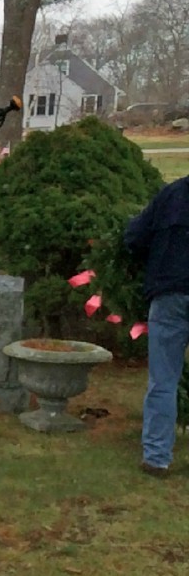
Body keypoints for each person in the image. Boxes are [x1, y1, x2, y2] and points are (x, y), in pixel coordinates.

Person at [123, 174, 189, 477]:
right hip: (170, 292)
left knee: (163, 381)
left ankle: (157, 457)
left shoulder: (171, 195)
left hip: (169, 295)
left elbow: (134, 238)